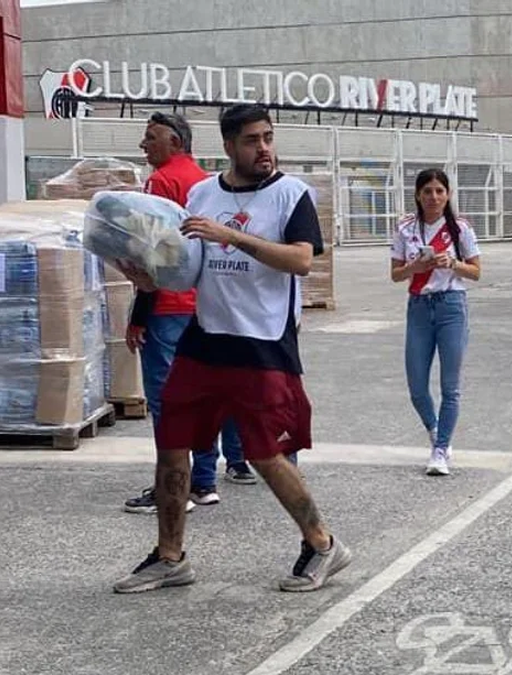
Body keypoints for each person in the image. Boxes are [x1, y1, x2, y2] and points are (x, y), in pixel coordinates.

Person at [112, 103, 351, 594]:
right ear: (228, 146)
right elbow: (190, 267)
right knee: (171, 445)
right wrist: (148, 276)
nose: (263, 148)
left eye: (267, 138)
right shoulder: (202, 193)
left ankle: (324, 545)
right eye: (251, 140)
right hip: (205, 339)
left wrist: (230, 235)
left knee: (266, 456)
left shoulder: (291, 195)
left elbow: (302, 261)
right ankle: (170, 556)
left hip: (262, 344)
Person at [121, 112, 253, 517]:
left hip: (168, 304)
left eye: (151, 138)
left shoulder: (160, 183)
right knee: (210, 390)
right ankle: (213, 474)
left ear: (175, 142)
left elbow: (152, 253)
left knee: (167, 398)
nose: (144, 146)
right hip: (207, 302)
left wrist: (139, 313)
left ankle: (178, 483)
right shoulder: (204, 182)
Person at [390, 168, 482, 476]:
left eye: (440, 191)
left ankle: (440, 449)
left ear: (448, 194)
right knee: (417, 385)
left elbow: (476, 271)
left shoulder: (460, 228)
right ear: (417, 194)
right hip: (418, 307)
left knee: (450, 386)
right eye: (427, 191)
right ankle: (434, 429)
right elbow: (395, 274)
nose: (433, 197)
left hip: (451, 306)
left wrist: (452, 263)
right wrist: (417, 265)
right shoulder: (406, 228)